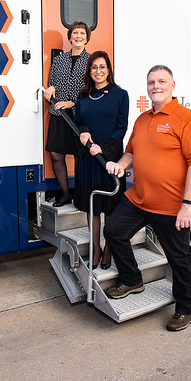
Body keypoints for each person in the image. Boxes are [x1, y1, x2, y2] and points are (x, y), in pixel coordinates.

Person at [103, 65, 191, 332]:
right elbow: (131, 153)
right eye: (151, 82)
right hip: (139, 198)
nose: (156, 86)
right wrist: (120, 164)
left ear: (173, 86)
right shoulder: (142, 120)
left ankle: (185, 308)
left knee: (179, 257)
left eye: (162, 81)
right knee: (114, 231)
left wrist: (187, 206)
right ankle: (132, 279)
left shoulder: (186, 119)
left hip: (173, 205)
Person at [73, 51, 128, 270]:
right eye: (94, 67)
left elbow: (121, 128)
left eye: (102, 67)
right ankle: (95, 248)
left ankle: (109, 248)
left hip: (110, 160)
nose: (98, 71)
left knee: (110, 208)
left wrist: (102, 150)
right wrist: (84, 133)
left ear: (108, 70)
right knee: (93, 208)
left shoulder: (120, 94)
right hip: (88, 159)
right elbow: (78, 122)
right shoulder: (82, 95)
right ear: (89, 71)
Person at [44, 21, 91, 207]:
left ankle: (81, 195)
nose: (78, 36)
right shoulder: (59, 60)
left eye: (82, 33)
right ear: (70, 37)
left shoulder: (91, 60)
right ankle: (65, 195)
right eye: (75, 33)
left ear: (87, 38)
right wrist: (51, 88)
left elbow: (90, 87)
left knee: (81, 157)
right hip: (59, 115)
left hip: (80, 114)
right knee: (56, 155)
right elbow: (52, 82)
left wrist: (72, 101)